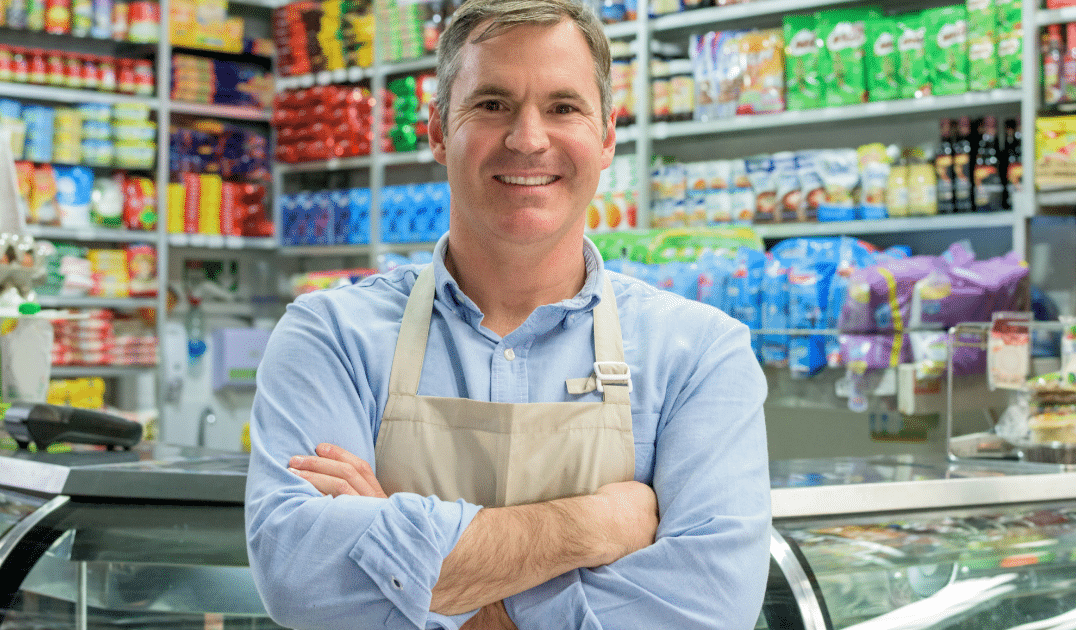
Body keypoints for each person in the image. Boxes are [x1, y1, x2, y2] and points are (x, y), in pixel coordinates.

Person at [244, 0, 771, 627]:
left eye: (563, 107)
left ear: (606, 138)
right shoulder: (329, 336)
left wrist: (404, 559)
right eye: (492, 104)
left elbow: (708, 607)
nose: (528, 139)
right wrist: (593, 527)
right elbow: (298, 574)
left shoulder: (701, 353)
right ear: (438, 131)